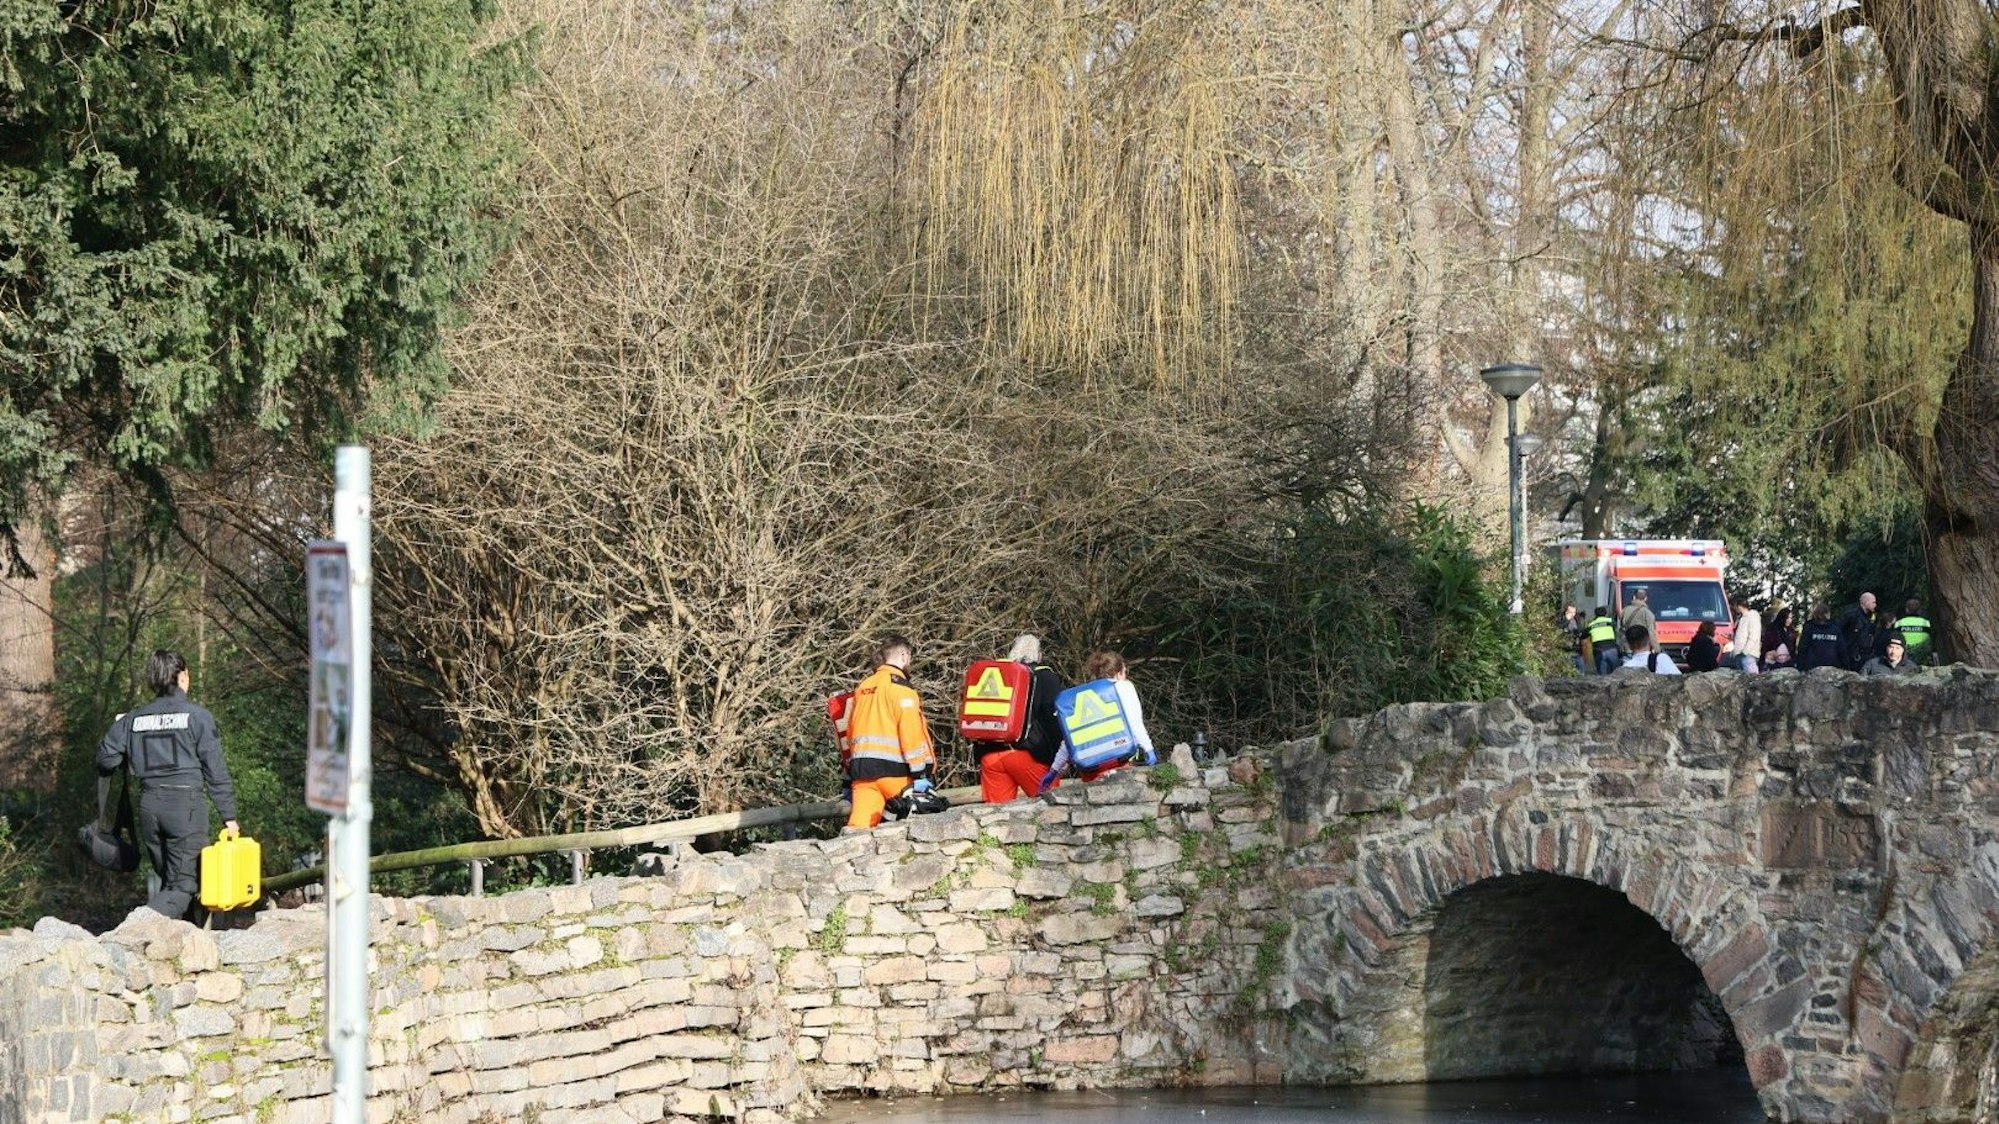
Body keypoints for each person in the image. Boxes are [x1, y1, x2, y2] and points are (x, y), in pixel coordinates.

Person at [95, 650, 240, 918]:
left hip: (150, 808)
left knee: (170, 882)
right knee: (184, 886)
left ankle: (180, 948)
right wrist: (228, 817)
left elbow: (106, 760)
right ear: (183, 676)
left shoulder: (134, 718)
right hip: (185, 808)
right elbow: (215, 771)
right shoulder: (197, 716)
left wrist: (126, 735)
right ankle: (137, 927)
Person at [843, 635, 938, 829]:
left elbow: (851, 729)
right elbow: (910, 733)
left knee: (857, 832)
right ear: (904, 655)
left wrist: (849, 770)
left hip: (864, 775)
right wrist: (920, 774)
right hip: (898, 775)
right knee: (917, 830)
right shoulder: (901, 689)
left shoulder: (863, 687)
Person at [978, 634, 1067, 803]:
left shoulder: (999, 675)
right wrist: (1059, 759)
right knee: (1052, 811)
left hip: (990, 756)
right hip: (1029, 756)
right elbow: (1055, 720)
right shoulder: (1045, 678)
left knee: (995, 820)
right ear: (1039, 655)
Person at [1046, 650, 1156, 784]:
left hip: (1089, 769)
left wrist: (1054, 769)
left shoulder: (1077, 697)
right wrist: (1148, 748)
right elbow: (1135, 723)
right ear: (1119, 672)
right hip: (1119, 762)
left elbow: (1069, 740)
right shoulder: (1122, 687)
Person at [1840, 592, 1883, 672]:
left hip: (1866, 656)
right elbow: (1839, 632)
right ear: (1866, 602)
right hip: (1852, 656)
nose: (1875, 605)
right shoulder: (1851, 615)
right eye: (1873, 602)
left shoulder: (1872, 617)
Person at [1796, 603, 1843, 671]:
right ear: (1827, 614)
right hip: (1832, 667)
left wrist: (1800, 667)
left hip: (1812, 668)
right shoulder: (1835, 628)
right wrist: (1846, 667)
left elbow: (1803, 648)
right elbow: (1841, 649)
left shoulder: (1809, 628)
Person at [1893, 599, 1935, 665]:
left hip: (1904, 656)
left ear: (1906, 609)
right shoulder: (1926, 623)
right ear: (1919, 610)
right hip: (1923, 656)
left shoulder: (1899, 623)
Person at [1727, 596, 1762, 673]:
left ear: (1739, 606)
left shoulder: (1752, 617)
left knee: (1751, 678)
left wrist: (1745, 651)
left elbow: (1753, 636)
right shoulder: (1740, 618)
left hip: (1748, 654)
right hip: (1739, 653)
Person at [1585, 605, 1621, 675]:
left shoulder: (1591, 625)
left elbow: (1583, 635)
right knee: (1616, 674)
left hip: (1599, 651)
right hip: (1612, 649)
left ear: (1595, 614)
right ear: (1605, 613)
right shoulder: (1610, 621)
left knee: (1602, 678)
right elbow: (1616, 630)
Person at [1620, 589, 1657, 653]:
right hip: (1641, 649)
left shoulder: (1625, 610)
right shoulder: (1647, 613)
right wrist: (1657, 649)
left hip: (1627, 647)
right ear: (1645, 598)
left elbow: (1620, 628)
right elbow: (1651, 634)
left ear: (1634, 597)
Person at [1762, 605, 1798, 669]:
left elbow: (1793, 648)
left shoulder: (1791, 631)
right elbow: (1766, 646)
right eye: (1787, 618)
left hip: (1788, 662)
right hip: (1773, 662)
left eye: (1791, 618)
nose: (1789, 620)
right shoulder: (1773, 629)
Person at [1560, 604, 1587, 675]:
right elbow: (1558, 629)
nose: (1572, 614)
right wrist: (1566, 620)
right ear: (1566, 612)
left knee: (1581, 673)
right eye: (1570, 612)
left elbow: (1581, 632)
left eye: (1574, 612)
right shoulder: (1561, 619)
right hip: (1566, 651)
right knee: (1567, 674)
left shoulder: (1577, 620)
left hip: (1577, 651)